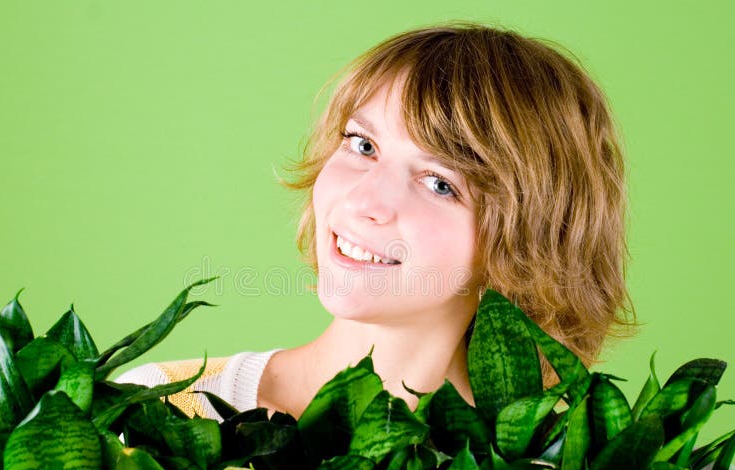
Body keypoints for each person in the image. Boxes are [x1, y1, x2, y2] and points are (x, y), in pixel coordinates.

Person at [116, 21, 638, 422]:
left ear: (526, 243)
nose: (368, 199)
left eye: (439, 183)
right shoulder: (163, 409)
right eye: (363, 145)